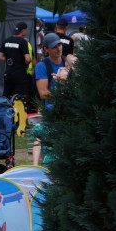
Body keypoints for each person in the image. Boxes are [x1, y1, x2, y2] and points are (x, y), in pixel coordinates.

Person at [32, 32, 67, 166]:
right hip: (52, 113)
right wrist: (64, 93)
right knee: (51, 154)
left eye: (59, 44)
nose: (58, 48)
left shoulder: (68, 61)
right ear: (45, 50)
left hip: (70, 112)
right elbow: (43, 93)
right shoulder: (42, 66)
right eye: (54, 47)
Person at [0, 22, 35, 111]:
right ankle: (19, 118)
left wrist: (10, 59)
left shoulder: (6, 41)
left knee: (6, 96)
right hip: (20, 74)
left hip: (8, 73)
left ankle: (4, 114)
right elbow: (28, 59)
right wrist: (24, 63)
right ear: (23, 31)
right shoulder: (23, 42)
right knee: (20, 98)